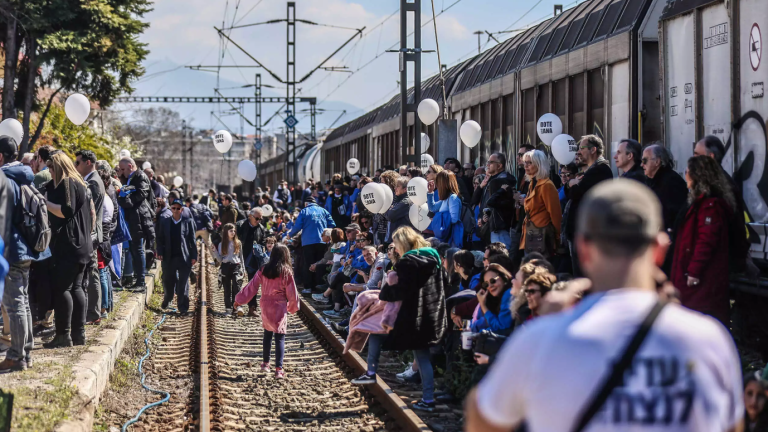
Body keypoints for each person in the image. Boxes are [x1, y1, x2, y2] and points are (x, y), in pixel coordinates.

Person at [465, 179, 744, 432]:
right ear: (660, 248)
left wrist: (547, 324)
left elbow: (484, 419)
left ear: (584, 250)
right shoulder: (710, 340)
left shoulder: (539, 341)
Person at [351, 226, 447, 413]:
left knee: (376, 331)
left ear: (402, 243)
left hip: (412, 317)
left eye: (395, 244)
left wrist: (384, 291)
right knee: (423, 357)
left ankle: (372, 372)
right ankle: (428, 399)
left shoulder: (407, 262)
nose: (394, 249)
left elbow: (398, 291)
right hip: (433, 315)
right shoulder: (434, 258)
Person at [0, 137, 51, 371]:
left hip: (11, 250)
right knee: (24, 303)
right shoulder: (22, 176)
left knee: (15, 304)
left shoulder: (4, 179)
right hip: (26, 250)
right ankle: (26, 352)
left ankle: (16, 355)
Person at [671, 156, 735, 326]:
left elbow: (706, 241)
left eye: (687, 172)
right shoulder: (701, 203)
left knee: (698, 320)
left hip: (699, 279)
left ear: (696, 176)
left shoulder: (709, 206)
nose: (685, 175)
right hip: (692, 275)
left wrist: (694, 272)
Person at [42, 152, 93, 349]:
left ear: (59, 167)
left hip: (69, 245)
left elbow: (66, 211)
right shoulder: (80, 183)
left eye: (51, 168)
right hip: (82, 244)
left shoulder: (67, 183)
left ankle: (63, 335)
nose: (49, 171)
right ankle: (78, 334)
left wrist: (44, 203)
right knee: (77, 288)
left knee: (62, 288)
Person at [234, 244, 299, 379]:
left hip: (265, 304)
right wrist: (292, 306)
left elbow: (251, 287)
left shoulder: (264, 269)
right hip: (279, 305)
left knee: (267, 334)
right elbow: (292, 293)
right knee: (280, 336)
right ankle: (279, 370)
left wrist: (239, 300)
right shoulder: (286, 272)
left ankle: (265, 364)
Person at [564, 135, 613, 276]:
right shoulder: (590, 171)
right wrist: (571, 184)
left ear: (593, 150)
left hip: (587, 233)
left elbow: (578, 194)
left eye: (582, 148)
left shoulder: (600, 170)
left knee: (583, 277)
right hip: (581, 232)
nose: (578, 152)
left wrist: (572, 184)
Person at [75, 150, 106, 325]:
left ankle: (94, 313)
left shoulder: (93, 182)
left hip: (92, 234)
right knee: (91, 272)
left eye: (78, 162)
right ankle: (93, 311)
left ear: (88, 162)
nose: (75, 166)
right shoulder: (92, 180)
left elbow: (89, 211)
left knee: (92, 272)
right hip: (92, 233)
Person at [116, 157, 155, 292]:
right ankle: (137, 279)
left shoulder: (140, 176)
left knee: (138, 250)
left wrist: (125, 199)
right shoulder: (130, 177)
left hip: (139, 219)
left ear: (130, 166)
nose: (121, 172)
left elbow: (141, 194)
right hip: (133, 219)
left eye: (122, 169)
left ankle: (141, 282)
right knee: (134, 250)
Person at [156, 199, 197, 313]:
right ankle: (168, 298)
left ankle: (183, 307)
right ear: (170, 208)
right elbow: (160, 238)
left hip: (184, 257)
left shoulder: (188, 222)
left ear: (182, 210)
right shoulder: (165, 221)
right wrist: (159, 252)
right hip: (169, 257)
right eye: (173, 208)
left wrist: (194, 256)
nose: (176, 211)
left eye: (178, 208)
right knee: (168, 280)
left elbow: (192, 240)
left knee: (183, 283)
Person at [519, 150, 562, 259]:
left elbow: (555, 214)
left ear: (539, 164)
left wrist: (556, 238)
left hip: (541, 236)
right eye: (525, 163)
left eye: (529, 163)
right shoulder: (533, 183)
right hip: (531, 234)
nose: (526, 166)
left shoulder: (546, 185)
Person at [288, 196, 336, 290]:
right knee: (319, 263)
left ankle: (308, 287)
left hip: (308, 242)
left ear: (306, 204)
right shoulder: (323, 211)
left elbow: (298, 226)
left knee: (308, 264)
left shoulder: (304, 211)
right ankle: (318, 286)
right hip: (322, 241)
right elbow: (332, 225)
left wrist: (290, 234)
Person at [642, 144, 688, 233]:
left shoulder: (671, 181)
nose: (642, 164)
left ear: (657, 162)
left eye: (645, 161)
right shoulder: (651, 180)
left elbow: (674, 215)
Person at [474, 152, 515, 251]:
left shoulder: (500, 180)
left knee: (499, 257)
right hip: (489, 225)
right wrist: (481, 185)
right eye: (487, 162)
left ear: (499, 165)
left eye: (491, 162)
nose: (487, 165)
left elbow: (495, 203)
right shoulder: (490, 180)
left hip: (498, 227)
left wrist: (486, 217)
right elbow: (475, 201)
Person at [211, 223, 246, 316]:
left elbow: (241, 257)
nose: (233, 232)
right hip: (225, 266)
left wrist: (243, 268)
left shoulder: (238, 243)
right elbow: (220, 259)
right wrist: (214, 251)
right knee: (227, 289)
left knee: (236, 286)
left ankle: (237, 306)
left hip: (236, 266)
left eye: (234, 231)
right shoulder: (221, 244)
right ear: (226, 232)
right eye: (231, 231)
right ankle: (228, 308)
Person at [470, 264, 514, 333]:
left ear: (503, 277)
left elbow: (501, 328)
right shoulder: (496, 299)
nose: (490, 286)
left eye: (493, 280)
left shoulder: (508, 294)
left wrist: (483, 305)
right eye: (486, 284)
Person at [427, 171, 463, 247]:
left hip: (451, 237)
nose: (437, 185)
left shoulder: (453, 198)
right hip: (445, 236)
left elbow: (454, 219)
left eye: (438, 182)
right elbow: (432, 208)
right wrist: (430, 192)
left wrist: (437, 218)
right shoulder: (446, 198)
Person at [384, 176, 413, 242]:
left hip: (402, 240)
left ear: (405, 189)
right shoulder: (398, 200)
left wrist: (389, 209)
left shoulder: (406, 201)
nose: (395, 188)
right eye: (395, 186)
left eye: (397, 186)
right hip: (395, 239)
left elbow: (390, 215)